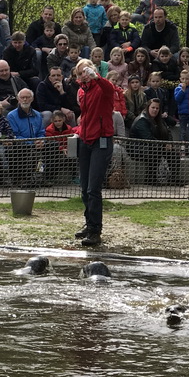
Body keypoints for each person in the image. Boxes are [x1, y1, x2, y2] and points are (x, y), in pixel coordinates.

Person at [73, 59, 115, 247]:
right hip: (85, 140)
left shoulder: (101, 86)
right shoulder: (81, 91)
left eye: (86, 71)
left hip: (102, 140)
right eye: (80, 72)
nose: (83, 75)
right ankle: (89, 223)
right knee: (84, 187)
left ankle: (96, 231)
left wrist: (96, 76)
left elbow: (109, 89)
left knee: (93, 188)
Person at [130, 97, 180, 185]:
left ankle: (174, 179)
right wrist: (163, 146)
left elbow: (167, 132)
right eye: (153, 108)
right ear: (148, 107)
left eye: (157, 108)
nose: (155, 110)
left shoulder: (159, 119)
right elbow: (148, 138)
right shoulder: (141, 120)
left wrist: (169, 143)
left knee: (173, 154)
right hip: (138, 148)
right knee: (154, 151)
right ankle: (150, 178)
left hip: (156, 145)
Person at [6, 88, 46, 187]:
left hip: (36, 143)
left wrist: (41, 140)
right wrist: (32, 143)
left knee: (53, 146)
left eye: (27, 97)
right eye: (22, 97)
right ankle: (24, 179)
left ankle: (46, 177)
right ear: (18, 99)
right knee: (20, 149)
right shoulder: (11, 115)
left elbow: (41, 132)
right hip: (21, 144)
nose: (25, 100)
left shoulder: (37, 115)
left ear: (32, 99)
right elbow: (14, 134)